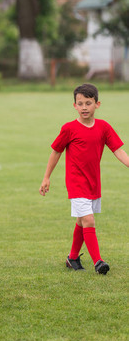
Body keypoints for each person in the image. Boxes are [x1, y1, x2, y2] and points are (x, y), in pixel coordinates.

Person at [39, 83, 129, 275]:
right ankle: (98, 262)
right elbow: (56, 152)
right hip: (76, 183)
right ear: (74, 106)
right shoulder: (69, 129)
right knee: (89, 220)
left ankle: (72, 258)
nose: (84, 107)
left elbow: (118, 151)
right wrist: (46, 177)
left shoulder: (104, 127)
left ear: (97, 104)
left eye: (88, 103)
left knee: (81, 221)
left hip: (93, 183)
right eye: (80, 104)